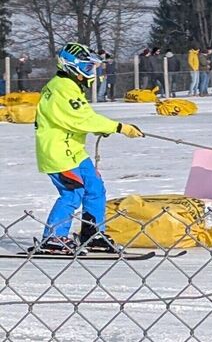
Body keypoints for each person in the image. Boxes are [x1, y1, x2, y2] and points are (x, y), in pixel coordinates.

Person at [33, 42, 144, 254]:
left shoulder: (70, 86)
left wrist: (97, 127)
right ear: (70, 66)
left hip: (74, 151)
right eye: (85, 67)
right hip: (58, 153)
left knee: (95, 188)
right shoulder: (62, 89)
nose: (90, 72)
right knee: (72, 193)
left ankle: (93, 234)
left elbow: (77, 120)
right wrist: (119, 127)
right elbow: (82, 118)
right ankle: (53, 238)